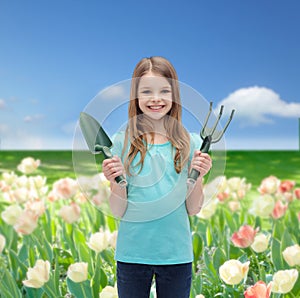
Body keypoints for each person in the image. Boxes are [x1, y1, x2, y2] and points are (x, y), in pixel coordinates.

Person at [102, 56, 212, 298]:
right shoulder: (121, 143)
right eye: (147, 91)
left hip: (176, 254)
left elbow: (193, 209)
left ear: (174, 96)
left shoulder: (190, 143)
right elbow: (117, 211)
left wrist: (200, 174)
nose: (156, 98)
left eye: (164, 90)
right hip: (132, 254)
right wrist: (114, 182)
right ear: (136, 96)